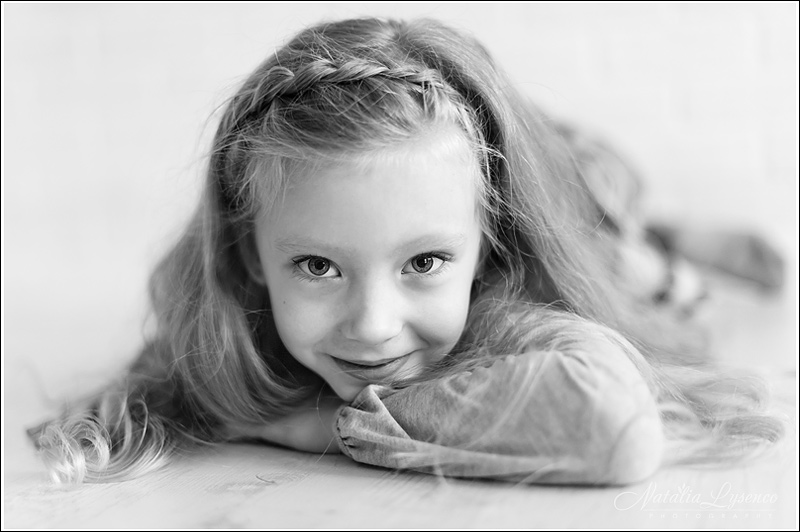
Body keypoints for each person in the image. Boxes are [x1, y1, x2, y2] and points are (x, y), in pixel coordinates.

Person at [28, 16, 785, 486]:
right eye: (318, 266)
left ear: (487, 250)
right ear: (250, 254)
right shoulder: (223, 313)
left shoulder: (507, 294)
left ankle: (669, 245)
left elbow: (615, 428)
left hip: (576, 180)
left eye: (423, 263)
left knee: (619, 250)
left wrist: (330, 424)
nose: (372, 325)